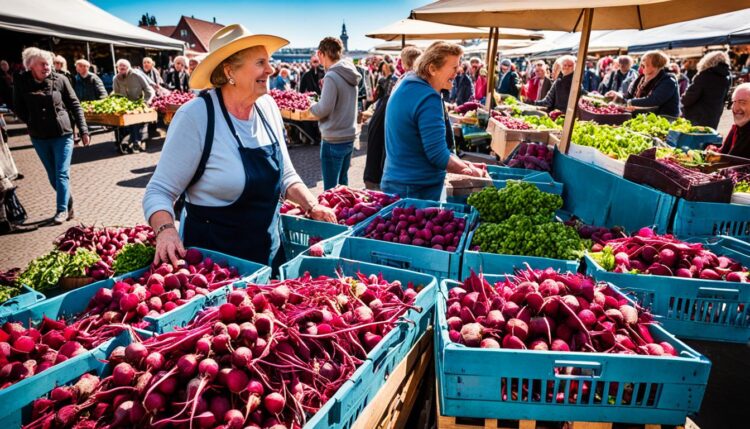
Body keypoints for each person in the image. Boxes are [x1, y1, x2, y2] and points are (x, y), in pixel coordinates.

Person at [143, 24, 336, 267]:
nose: (271, 69)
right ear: (229, 71)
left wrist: (312, 204)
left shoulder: (267, 107)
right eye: (260, 62)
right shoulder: (197, 116)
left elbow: (286, 175)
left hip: (268, 258)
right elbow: (158, 190)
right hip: (214, 269)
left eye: (269, 61)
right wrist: (166, 230)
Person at [381, 42, 486, 201]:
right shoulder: (427, 97)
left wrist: (467, 166)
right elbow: (437, 154)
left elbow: (431, 146)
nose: (458, 71)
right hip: (416, 189)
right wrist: (470, 172)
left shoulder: (408, 81)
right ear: (432, 69)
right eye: (453, 67)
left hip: (400, 182)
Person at [14, 48, 90, 224]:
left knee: (62, 174)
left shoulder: (61, 79)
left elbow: (75, 105)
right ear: (30, 65)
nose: (47, 66)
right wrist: (32, 120)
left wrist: (84, 130)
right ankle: (68, 203)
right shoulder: (22, 82)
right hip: (39, 136)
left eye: (48, 62)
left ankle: (61, 211)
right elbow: (18, 107)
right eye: (42, 63)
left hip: (62, 134)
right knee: (52, 176)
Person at [302, 37, 361, 190]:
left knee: (330, 190)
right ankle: (344, 214)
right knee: (343, 187)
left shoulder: (332, 75)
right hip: (349, 135)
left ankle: (333, 215)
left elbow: (323, 109)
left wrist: (310, 104)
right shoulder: (349, 72)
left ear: (321, 53)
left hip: (334, 137)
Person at [363, 47, 421, 190]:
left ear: (403, 63)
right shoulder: (408, 87)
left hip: (384, 168)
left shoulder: (400, 85)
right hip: (393, 171)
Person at [607, 50, 680, 118]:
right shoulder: (640, 79)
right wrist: (617, 95)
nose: (641, 64)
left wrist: (628, 103)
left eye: (645, 61)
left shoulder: (668, 81)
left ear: (656, 65)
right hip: (644, 118)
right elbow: (629, 96)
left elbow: (654, 100)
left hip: (665, 120)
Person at [113, 59, 155, 153]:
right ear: (117, 68)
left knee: (135, 123)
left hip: (139, 103)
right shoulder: (116, 79)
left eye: (124, 66)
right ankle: (126, 142)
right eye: (120, 67)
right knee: (122, 124)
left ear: (129, 67)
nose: (122, 68)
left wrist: (146, 101)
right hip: (125, 105)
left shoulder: (137, 75)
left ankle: (136, 142)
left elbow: (149, 90)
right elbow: (116, 94)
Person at [682, 52, 732, 129]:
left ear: (707, 61)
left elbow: (688, 99)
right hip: (714, 116)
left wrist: (683, 98)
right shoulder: (727, 76)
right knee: (708, 138)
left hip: (696, 117)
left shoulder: (704, 75)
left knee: (693, 139)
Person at [714, 83, 750, 159]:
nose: (735, 108)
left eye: (742, 102)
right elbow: (724, 154)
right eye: (734, 102)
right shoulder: (737, 127)